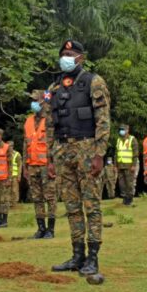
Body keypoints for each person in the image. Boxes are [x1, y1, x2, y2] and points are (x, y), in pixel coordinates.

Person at [48, 40, 110, 276]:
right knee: (72, 207)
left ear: (81, 58)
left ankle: (93, 258)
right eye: (63, 53)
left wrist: (99, 153)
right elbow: (50, 125)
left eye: (71, 54)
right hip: (63, 151)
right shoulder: (55, 88)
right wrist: (49, 158)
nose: (66, 57)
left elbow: (103, 120)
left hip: (87, 149)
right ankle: (77, 255)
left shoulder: (94, 82)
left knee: (91, 205)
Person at [24, 90, 57, 238]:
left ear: (43, 102)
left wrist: (53, 163)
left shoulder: (50, 120)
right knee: (36, 197)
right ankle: (41, 228)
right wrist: (25, 166)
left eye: (36, 100)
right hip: (32, 165)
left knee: (50, 197)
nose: (33, 103)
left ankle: (50, 229)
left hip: (46, 165)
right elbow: (26, 144)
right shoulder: (29, 121)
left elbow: (55, 144)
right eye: (32, 100)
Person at [115, 124, 137, 205]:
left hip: (129, 165)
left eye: (123, 129)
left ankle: (129, 198)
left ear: (127, 130)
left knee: (129, 183)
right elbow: (116, 153)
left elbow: (135, 154)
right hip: (120, 165)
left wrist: (134, 165)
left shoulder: (132, 139)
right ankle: (124, 198)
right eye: (120, 129)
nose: (121, 131)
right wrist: (115, 165)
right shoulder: (118, 140)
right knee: (121, 183)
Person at [9, 140, 23, 207]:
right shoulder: (4, 154)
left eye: (11, 146)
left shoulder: (17, 154)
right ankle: (8, 203)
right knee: (7, 190)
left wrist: (19, 175)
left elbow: (19, 166)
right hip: (7, 176)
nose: (10, 147)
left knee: (14, 190)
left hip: (14, 175)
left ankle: (14, 203)